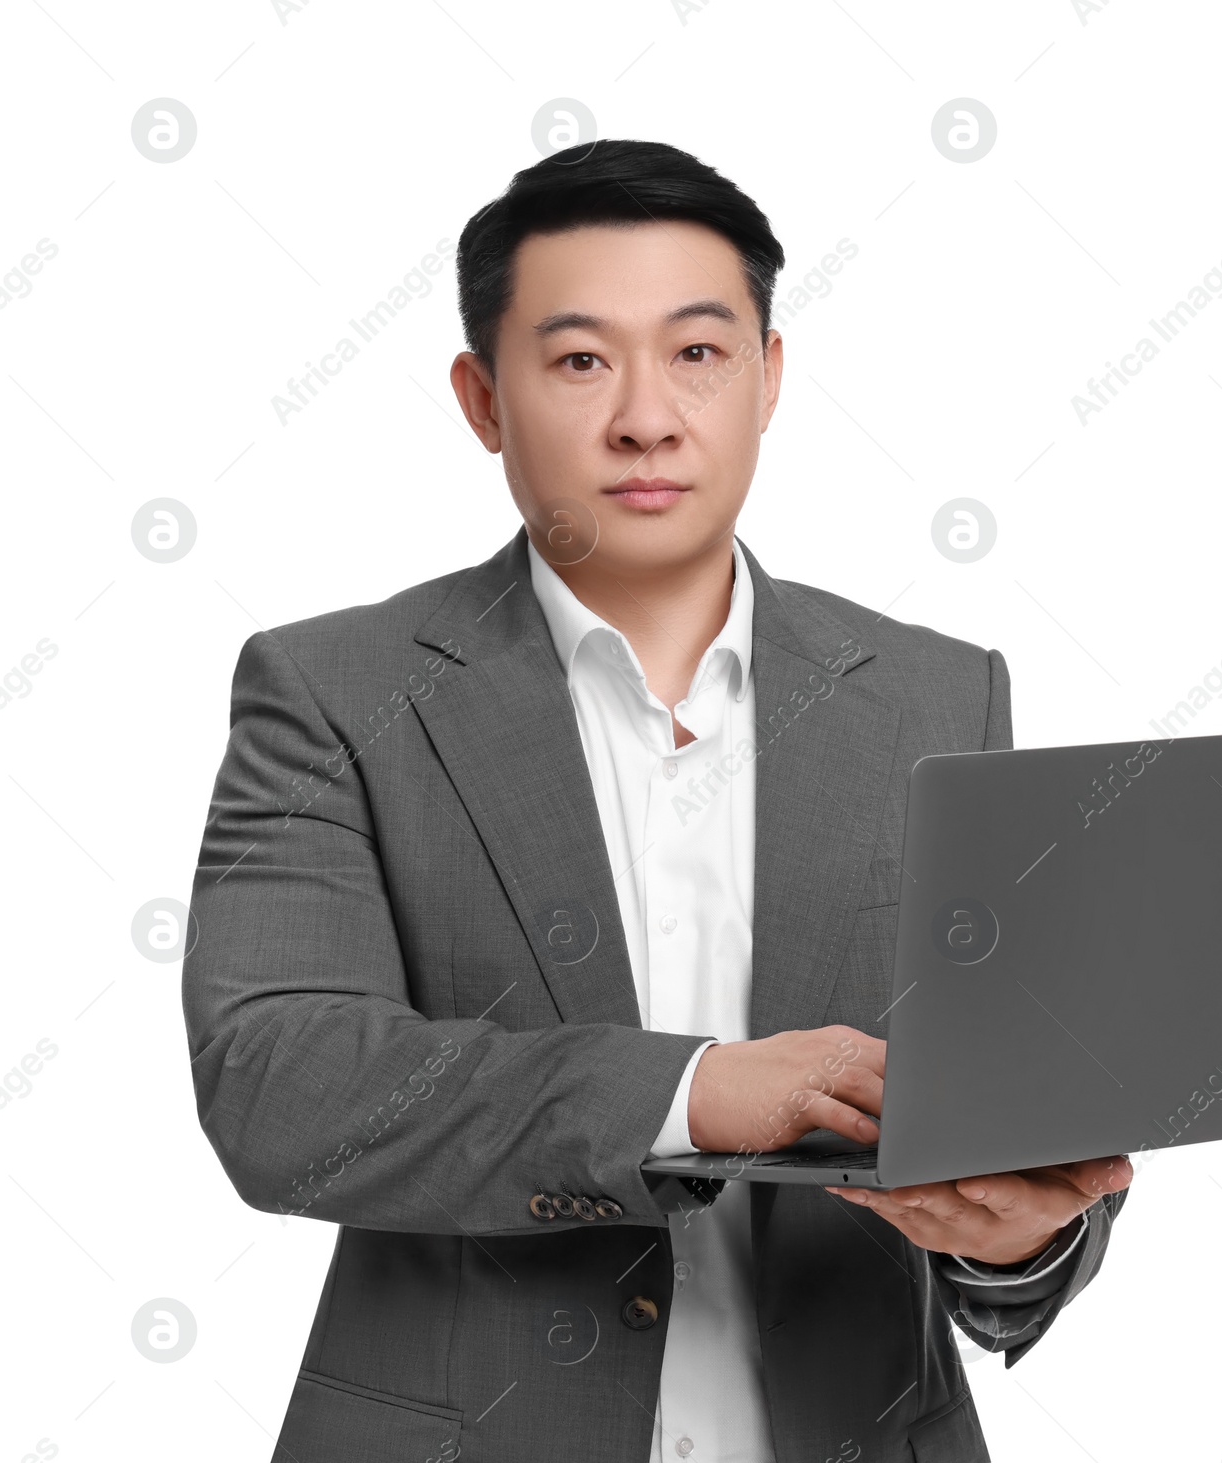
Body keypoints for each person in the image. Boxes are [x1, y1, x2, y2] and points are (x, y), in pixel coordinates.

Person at [182, 138, 1131, 1463]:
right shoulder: (335, 693)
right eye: (579, 360)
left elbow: (1000, 1107)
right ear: (482, 397)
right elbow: (279, 1085)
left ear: (768, 379)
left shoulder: (941, 700)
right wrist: (693, 1094)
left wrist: (1027, 1238)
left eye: (698, 353)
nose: (646, 416)